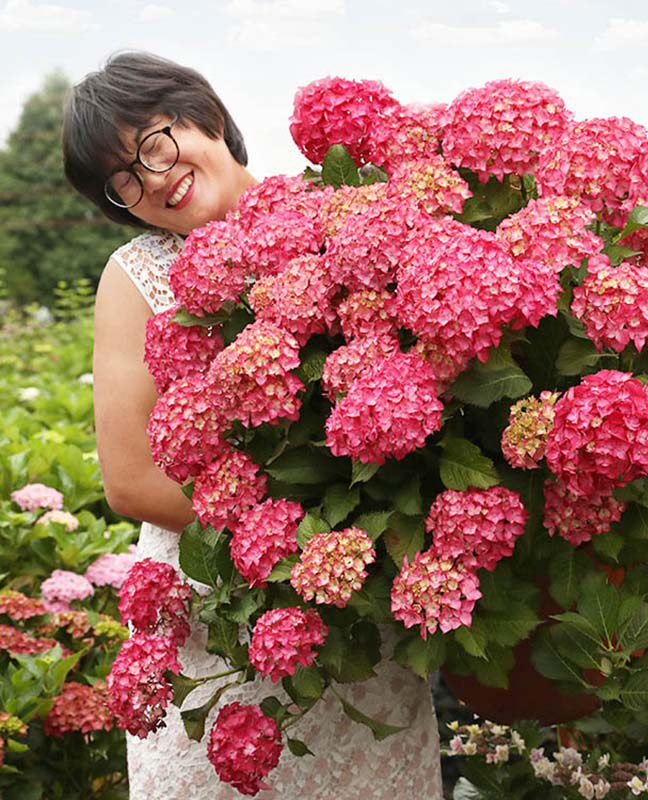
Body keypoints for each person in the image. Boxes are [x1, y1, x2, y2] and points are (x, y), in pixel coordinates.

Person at [62, 51, 443, 800]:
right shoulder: (135, 275)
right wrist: (311, 540)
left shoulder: (338, 210)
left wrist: (373, 536)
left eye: (155, 142)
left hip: (360, 619)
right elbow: (134, 480)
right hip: (228, 619)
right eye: (123, 180)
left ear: (202, 115)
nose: (153, 178)